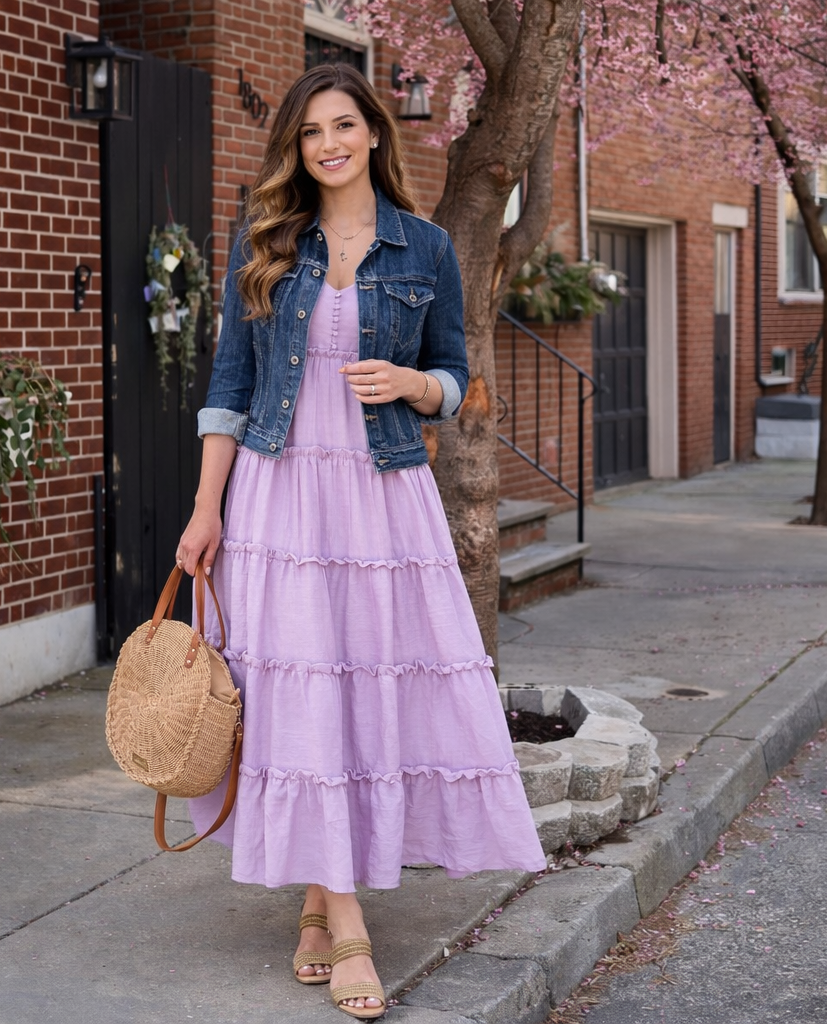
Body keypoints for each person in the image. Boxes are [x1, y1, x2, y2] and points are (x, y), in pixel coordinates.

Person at [175, 62, 545, 1021]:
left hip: (381, 497)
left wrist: (413, 387)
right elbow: (228, 384)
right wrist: (206, 509)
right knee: (298, 688)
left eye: (344, 126)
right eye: (310, 133)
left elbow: (455, 373)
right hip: (280, 494)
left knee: (355, 684)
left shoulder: (423, 246)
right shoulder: (265, 239)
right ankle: (347, 928)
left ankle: (314, 900)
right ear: (296, 148)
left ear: (375, 133)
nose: (329, 144)